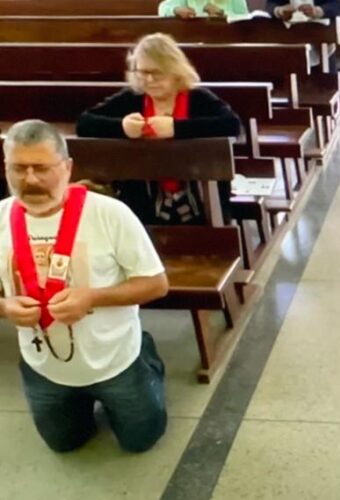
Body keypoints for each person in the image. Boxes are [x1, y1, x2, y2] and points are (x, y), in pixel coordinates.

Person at [0, 119, 169, 453]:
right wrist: (4, 307)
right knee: (65, 444)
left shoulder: (110, 214)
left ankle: (145, 359)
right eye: (18, 168)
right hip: (43, 363)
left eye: (42, 168)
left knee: (141, 441)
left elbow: (156, 284)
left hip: (114, 359)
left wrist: (93, 296)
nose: (30, 179)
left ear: (67, 167)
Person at [76, 33, 241, 225]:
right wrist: (122, 127)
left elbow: (231, 124)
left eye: (157, 72)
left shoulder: (198, 98)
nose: (150, 79)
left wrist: (175, 128)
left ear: (175, 71)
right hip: (142, 201)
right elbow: (84, 123)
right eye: (143, 72)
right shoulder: (131, 99)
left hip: (200, 198)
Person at [266, 0, 340, 73]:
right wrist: (279, 11)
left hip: (322, 43)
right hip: (289, 43)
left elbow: (337, 5)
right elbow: (270, 5)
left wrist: (318, 11)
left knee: (327, 83)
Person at [158, 0, 249, 18]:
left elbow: (245, 21)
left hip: (227, 43)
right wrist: (176, 10)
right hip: (194, 42)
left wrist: (222, 13)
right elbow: (162, 8)